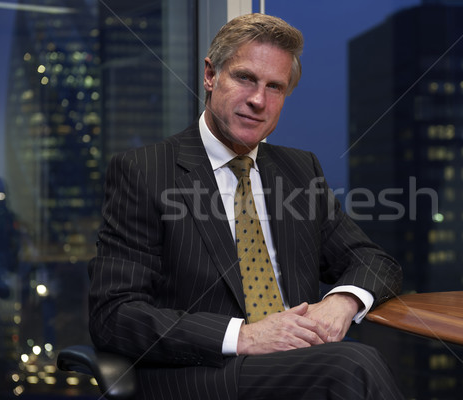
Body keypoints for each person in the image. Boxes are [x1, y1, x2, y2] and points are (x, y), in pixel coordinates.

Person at [88, 13, 403, 400]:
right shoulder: (144, 171)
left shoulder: (300, 170)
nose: (258, 100)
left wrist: (342, 301)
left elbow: (374, 261)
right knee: (354, 366)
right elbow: (114, 316)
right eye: (245, 78)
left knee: (353, 368)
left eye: (275, 87)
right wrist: (246, 336)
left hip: (298, 365)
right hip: (200, 374)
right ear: (210, 75)